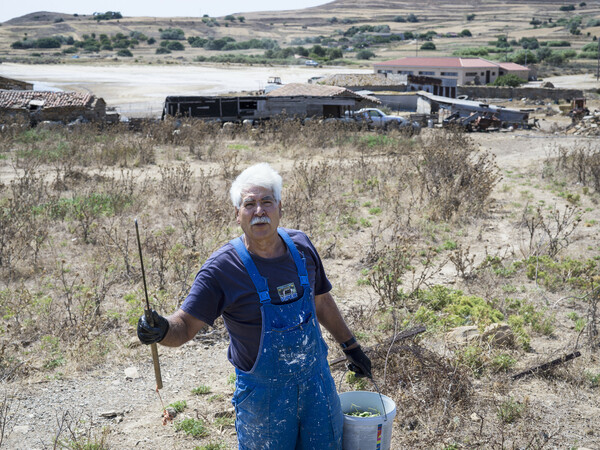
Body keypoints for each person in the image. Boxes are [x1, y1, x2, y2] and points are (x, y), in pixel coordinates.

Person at [138, 162, 371, 449]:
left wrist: (351, 346)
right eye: (249, 204)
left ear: (280, 208)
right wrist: (161, 330)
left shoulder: (302, 247)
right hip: (265, 400)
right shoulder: (221, 269)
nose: (259, 211)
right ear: (237, 214)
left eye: (267, 202)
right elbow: (184, 327)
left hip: (317, 386)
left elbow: (320, 301)